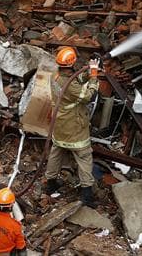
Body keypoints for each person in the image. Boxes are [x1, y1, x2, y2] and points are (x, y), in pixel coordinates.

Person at [44, 46, 99, 206]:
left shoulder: (56, 77)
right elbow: (87, 96)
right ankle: (87, 195)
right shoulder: (71, 86)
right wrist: (94, 78)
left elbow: (74, 80)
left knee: (56, 152)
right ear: (72, 64)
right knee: (84, 157)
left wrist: (88, 73)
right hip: (74, 127)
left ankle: (50, 183)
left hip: (59, 125)